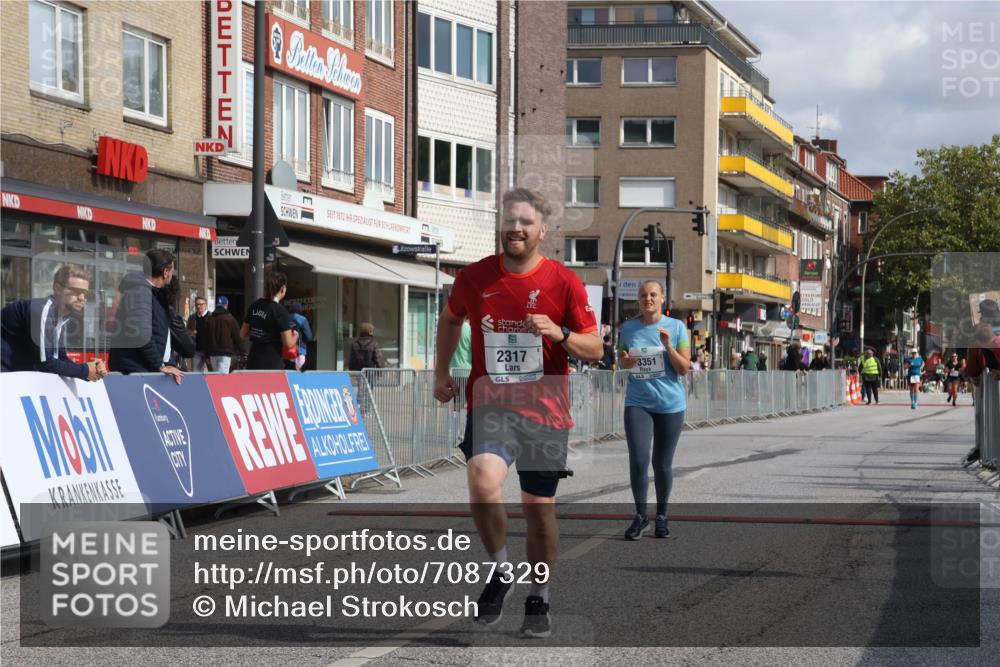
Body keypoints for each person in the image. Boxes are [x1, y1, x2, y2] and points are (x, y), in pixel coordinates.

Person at [432, 187, 602, 638]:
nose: (516, 228)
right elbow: (450, 319)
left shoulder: (564, 282)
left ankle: (539, 597)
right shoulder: (474, 277)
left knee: (538, 510)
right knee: (482, 480)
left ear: (542, 230)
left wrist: (560, 333)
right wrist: (441, 372)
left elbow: (595, 347)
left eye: (526, 222)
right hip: (492, 403)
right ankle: (502, 570)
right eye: (509, 220)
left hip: (545, 410)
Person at [617, 280, 690, 541]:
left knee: (661, 463)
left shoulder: (677, 327)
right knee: (638, 459)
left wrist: (668, 346)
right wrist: (625, 362)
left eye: (653, 294)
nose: (648, 299)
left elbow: (683, 368)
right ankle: (640, 516)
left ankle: (661, 515)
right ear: (638, 299)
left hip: (670, 405)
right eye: (643, 295)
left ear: (662, 298)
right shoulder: (629, 328)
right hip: (638, 402)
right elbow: (622, 362)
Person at [1, 264, 106, 381]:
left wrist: (90, 370)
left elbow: (60, 357)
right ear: (57, 289)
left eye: (86, 294)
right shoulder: (42, 310)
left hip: (12, 377)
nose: (81, 297)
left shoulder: (59, 316)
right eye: (76, 291)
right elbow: (45, 363)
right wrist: (85, 370)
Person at [107, 249, 184, 384]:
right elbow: (141, 333)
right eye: (172, 270)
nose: (173, 275)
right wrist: (159, 364)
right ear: (165, 272)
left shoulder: (153, 293)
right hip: (136, 370)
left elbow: (160, 333)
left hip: (144, 368)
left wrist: (168, 362)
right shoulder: (141, 291)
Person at [241, 271, 297, 371]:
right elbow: (288, 343)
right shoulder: (280, 311)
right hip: (272, 361)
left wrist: (258, 334)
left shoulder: (254, 305)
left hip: (253, 359)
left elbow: (242, 334)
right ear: (283, 289)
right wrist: (296, 336)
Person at [202, 296, 242, 374]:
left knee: (216, 376)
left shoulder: (209, 319)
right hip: (225, 353)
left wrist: (206, 354)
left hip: (212, 353)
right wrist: (242, 351)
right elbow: (237, 337)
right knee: (222, 378)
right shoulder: (230, 319)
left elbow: (205, 338)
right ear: (226, 305)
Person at [186, 295, 210, 371]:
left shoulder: (211, 317)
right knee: (195, 373)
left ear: (206, 305)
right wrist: (191, 332)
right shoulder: (192, 317)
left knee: (213, 373)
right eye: (197, 304)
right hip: (196, 350)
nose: (199, 306)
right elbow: (187, 331)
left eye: (201, 304)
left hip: (209, 350)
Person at [287, 303, 314, 372]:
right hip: (299, 351)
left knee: (288, 373)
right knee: (299, 374)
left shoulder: (284, 318)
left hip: (286, 350)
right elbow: (309, 337)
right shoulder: (302, 319)